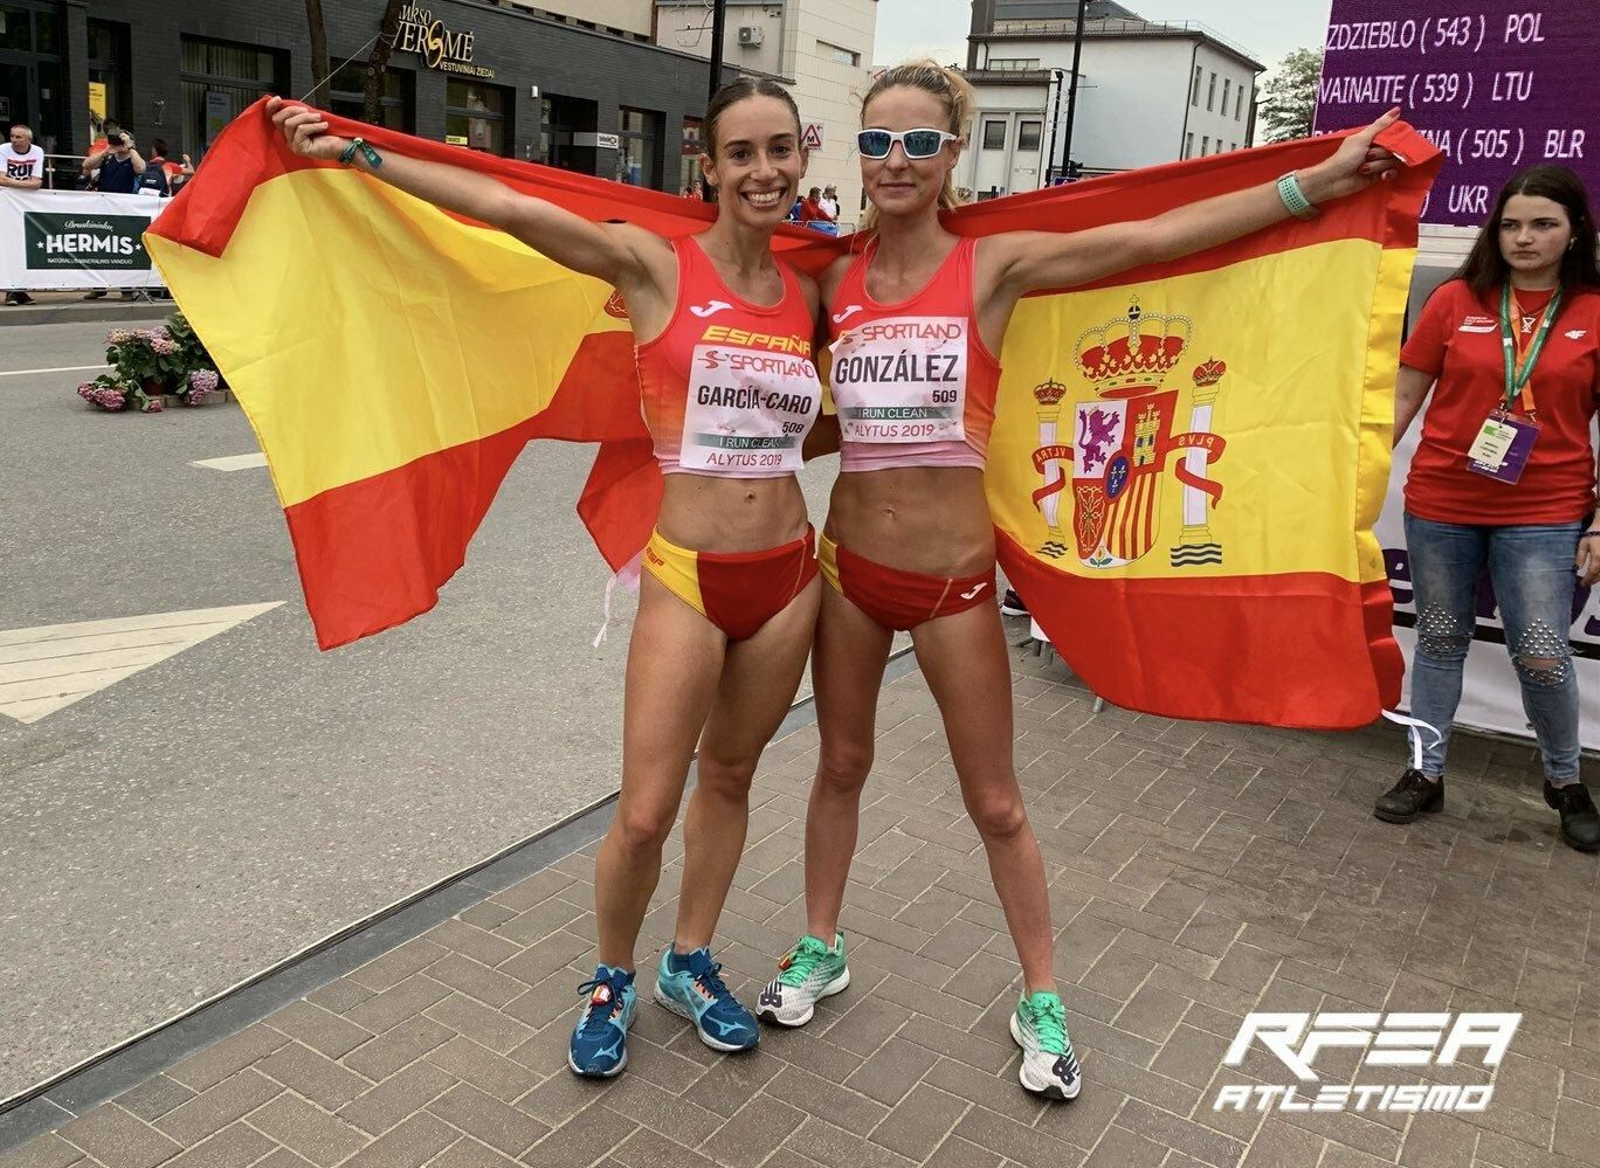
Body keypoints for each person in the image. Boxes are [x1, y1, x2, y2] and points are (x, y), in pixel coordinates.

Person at [756, 60, 1400, 1100]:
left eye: (920, 142)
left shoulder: (992, 265)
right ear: (856, 153)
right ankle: (820, 945)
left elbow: (1147, 241)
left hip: (953, 583)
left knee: (997, 801)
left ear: (952, 154)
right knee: (837, 767)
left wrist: (1310, 188)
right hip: (849, 574)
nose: (896, 162)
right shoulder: (833, 281)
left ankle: (1041, 994)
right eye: (877, 142)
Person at [269, 76, 828, 1079]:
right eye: (740, 153)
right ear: (707, 167)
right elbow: (510, 209)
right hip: (689, 578)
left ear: (803, 155)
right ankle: (611, 973)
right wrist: (352, 153)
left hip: (790, 576)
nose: (763, 171)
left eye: (779, 150)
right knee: (647, 808)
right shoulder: (653, 264)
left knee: (733, 777)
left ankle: (689, 961)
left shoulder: (810, 292)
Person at [1375, 165, 1600, 852]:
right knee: (1440, 640)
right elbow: (1403, 397)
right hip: (1443, 500)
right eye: (1511, 224)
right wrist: (1349, 474)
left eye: (1542, 225)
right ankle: (1426, 769)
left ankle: (1565, 781)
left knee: (1540, 652)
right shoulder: (1454, 300)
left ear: (1573, 233)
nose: (1524, 238)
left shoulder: (1593, 309)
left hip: (1548, 508)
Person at [83, 127, 147, 300]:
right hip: (104, 207)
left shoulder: (133, 159)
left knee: (121, 248)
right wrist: (105, 151)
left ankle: (127, 289)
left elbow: (140, 168)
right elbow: (86, 166)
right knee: (99, 245)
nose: (118, 145)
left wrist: (130, 147)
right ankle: (98, 286)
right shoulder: (108, 158)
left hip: (124, 209)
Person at [2, 124, 45, 306]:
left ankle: (20, 290)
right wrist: (25, 183)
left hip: (25, 203)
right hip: (5, 202)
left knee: (23, 245)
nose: (13, 140)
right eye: (12, 136)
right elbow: (0, 178)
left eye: (18, 137)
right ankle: (11, 290)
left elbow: (37, 183)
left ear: (29, 140)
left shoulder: (37, 151)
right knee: (9, 245)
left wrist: (12, 183)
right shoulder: (3, 150)